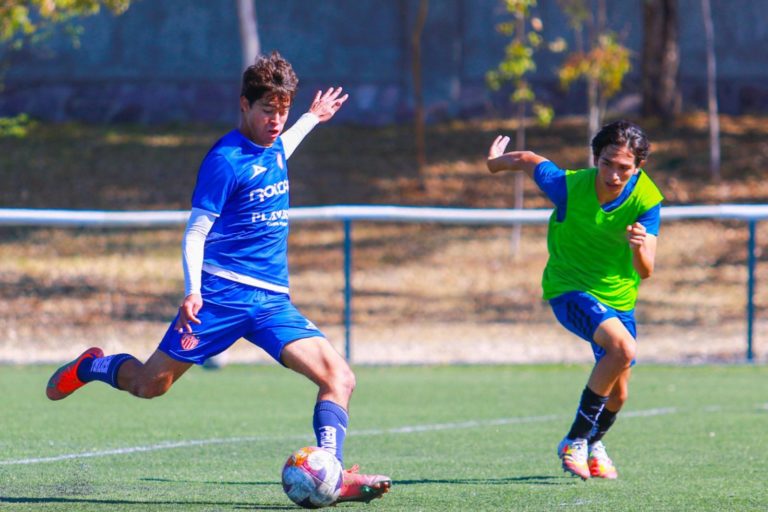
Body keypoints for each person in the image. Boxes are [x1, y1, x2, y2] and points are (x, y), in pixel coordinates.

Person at [46, 51, 391, 503]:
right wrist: (192, 291)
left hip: (271, 302)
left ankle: (334, 474)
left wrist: (311, 117)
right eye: (267, 110)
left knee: (339, 378)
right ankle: (92, 365)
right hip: (220, 297)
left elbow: (282, 148)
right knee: (150, 385)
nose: (275, 121)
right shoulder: (225, 160)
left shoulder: (275, 145)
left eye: (283, 110)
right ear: (244, 105)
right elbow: (196, 231)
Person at [486, 120, 663, 480]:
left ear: (638, 167)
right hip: (570, 288)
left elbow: (645, 271)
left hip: (619, 299)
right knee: (623, 348)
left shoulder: (646, 200)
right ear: (596, 158)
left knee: (619, 395)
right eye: (607, 163)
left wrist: (639, 248)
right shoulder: (569, 186)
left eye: (624, 167)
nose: (613, 175)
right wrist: (494, 163)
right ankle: (575, 440)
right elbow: (529, 160)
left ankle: (593, 443)